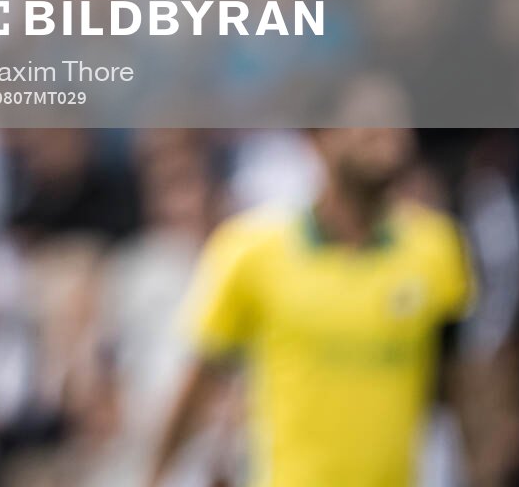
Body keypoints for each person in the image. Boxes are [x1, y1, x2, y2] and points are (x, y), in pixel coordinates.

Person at [143, 116, 473, 486]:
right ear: (317, 139)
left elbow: (459, 381)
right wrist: (154, 475)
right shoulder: (251, 251)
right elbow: (201, 383)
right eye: (366, 124)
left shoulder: (437, 248)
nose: (388, 138)